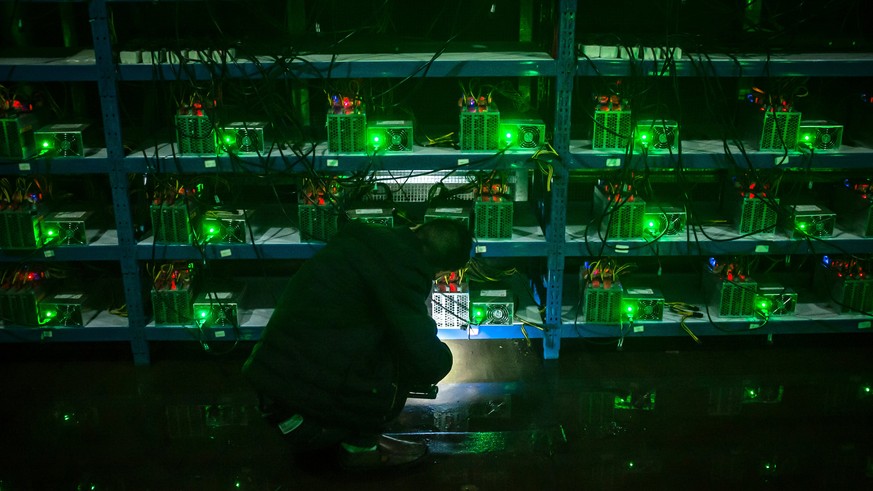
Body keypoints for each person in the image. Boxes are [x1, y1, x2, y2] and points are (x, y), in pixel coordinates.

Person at [242, 218, 473, 471]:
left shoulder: (364, 240)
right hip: (299, 420)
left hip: (274, 390)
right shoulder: (402, 268)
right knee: (398, 359)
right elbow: (423, 355)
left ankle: (332, 426)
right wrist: (445, 359)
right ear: (441, 271)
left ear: (416, 229)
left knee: (376, 337)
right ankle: (360, 449)